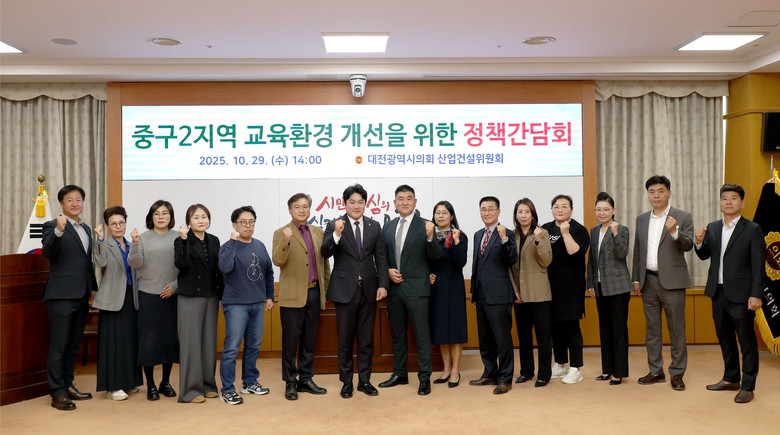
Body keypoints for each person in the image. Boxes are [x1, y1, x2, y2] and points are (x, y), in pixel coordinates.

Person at [694, 184, 764, 404]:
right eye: (724, 198)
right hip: (718, 291)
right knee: (724, 337)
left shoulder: (752, 229)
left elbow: (758, 265)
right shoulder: (713, 227)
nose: (728, 202)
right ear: (720, 202)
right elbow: (704, 255)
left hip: (743, 295)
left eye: (733, 198)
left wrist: (756, 294)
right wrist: (698, 242)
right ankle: (731, 378)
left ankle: (748, 385)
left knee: (746, 340)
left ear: (742, 202)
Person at [321, 184, 389, 399]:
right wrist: (337, 234)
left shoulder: (374, 226)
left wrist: (383, 284)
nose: (356, 206)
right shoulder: (335, 224)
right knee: (345, 340)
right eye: (352, 202)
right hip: (344, 291)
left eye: (360, 202)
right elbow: (325, 252)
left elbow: (381, 258)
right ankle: (347, 382)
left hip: (369, 290)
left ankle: (365, 381)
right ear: (345, 203)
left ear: (365, 204)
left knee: (367, 340)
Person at [632, 175, 693, 391]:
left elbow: (688, 245)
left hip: (673, 282)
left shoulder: (682, 217)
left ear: (669, 193)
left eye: (660, 191)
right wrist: (636, 278)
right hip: (648, 281)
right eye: (652, 192)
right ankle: (656, 370)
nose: (656, 196)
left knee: (677, 330)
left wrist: (675, 232)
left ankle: (677, 373)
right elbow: (638, 250)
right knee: (652, 330)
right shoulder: (641, 219)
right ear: (647, 194)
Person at [379, 185, 441, 396]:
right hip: (394, 290)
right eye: (400, 198)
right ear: (394, 203)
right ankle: (400, 373)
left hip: (417, 290)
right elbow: (382, 256)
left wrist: (431, 237)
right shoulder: (388, 226)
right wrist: (387, 271)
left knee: (422, 336)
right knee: (397, 335)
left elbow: (436, 257)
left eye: (409, 198)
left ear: (415, 202)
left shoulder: (426, 225)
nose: (404, 202)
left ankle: (424, 378)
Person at [41, 185, 97, 411]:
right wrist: (58, 231)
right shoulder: (52, 226)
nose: (75, 203)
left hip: (81, 294)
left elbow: (86, 262)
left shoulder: (86, 228)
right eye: (69, 200)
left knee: (73, 344)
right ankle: (57, 392)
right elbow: (47, 252)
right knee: (59, 345)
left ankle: (67, 384)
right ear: (61, 204)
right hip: (60, 295)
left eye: (78, 199)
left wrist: (92, 287)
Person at [272, 193, 330, 401]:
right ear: (290, 210)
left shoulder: (318, 232)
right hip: (292, 296)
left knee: (309, 339)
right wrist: (286, 241)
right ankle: (290, 381)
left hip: (314, 292)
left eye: (305, 206)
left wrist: (325, 290)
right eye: (297, 206)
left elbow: (324, 264)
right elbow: (278, 260)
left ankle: (306, 379)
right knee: (290, 342)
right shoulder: (281, 233)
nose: (302, 210)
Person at [218, 206, 274, 405]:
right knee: (232, 349)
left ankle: (249, 382)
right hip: (235, 305)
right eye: (243, 222)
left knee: (254, 346)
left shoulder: (259, 245)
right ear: (234, 225)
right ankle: (227, 389)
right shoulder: (227, 246)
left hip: (257, 304)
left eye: (251, 222)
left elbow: (268, 272)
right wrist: (233, 242)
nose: (248, 225)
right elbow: (224, 268)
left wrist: (269, 296)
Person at [128, 200, 180, 401]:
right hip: (148, 296)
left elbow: (186, 266)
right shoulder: (142, 238)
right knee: (148, 342)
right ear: (151, 217)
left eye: (165, 213)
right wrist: (134, 243)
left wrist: (175, 286)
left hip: (172, 295)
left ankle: (165, 382)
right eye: (156, 213)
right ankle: (150, 384)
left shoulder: (178, 237)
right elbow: (134, 263)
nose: (161, 217)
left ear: (170, 216)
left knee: (169, 341)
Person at [92, 206, 143, 400]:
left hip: (131, 297)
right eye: (113, 224)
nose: (118, 226)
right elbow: (100, 262)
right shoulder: (104, 243)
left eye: (121, 223)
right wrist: (99, 239)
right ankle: (113, 387)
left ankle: (128, 382)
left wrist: (136, 243)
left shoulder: (131, 244)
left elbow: (136, 263)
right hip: (112, 299)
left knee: (128, 341)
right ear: (107, 226)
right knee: (112, 343)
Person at [174, 203, 224, 403]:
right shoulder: (181, 240)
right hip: (190, 297)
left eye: (204, 216)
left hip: (211, 296)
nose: (201, 220)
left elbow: (218, 270)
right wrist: (184, 240)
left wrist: (221, 296)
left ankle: (208, 384)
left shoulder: (214, 240)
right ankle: (190, 391)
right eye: (196, 217)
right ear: (188, 221)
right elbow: (181, 264)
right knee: (191, 344)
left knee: (209, 343)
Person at [468, 196, 518, 395]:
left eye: (491, 209)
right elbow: (476, 264)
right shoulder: (478, 234)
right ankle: (490, 373)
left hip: (499, 295)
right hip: (481, 295)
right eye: (483, 209)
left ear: (498, 212)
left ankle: (505, 378)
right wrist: (473, 292)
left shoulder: (507, 233)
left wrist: (504, 239)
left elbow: (512, 259)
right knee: (485, 339)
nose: (486, 212)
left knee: (502, 339)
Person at [542, 194, 590, 384]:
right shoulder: (546, 228)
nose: (560, 210)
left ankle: (576, 367)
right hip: (550, 286)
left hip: (571, 287)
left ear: (571, 209)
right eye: (556, 206)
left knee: (571, 326)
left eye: (564, 206)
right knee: (555, 326)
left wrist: (566, 233)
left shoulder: (578, 229)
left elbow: (576, 254)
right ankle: (560, 363)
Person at [586, 192, 632, 385]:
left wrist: (615, 234)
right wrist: (590, 283)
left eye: (606, 209)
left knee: (619, 329)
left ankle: (619, 372)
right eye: (598, 209)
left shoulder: (622, 229)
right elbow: (592, 259)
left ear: (613, 210)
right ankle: (607, 369)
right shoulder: (594, 231)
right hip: (600, 286)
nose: (602, 213)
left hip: (619, 287)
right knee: (605, 329)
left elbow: (622, 253)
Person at [509, 198, 553, 388]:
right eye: (520, 212)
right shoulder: (512, 235)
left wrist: (538, 240)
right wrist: (514, 290)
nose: (523, 215)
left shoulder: (542, 233)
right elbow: (509, 266)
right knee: (524, 337)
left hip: (539, 293)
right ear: (515, 215)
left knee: (543, 337)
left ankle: (544, 374)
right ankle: (526, 371)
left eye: (527, 212)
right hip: (520, 294)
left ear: (533, 214)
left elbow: (546, 261)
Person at [428, 200, 468, 389]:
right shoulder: (429, 237)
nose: (441, 216)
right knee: (441, 328)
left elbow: (461, 262)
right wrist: (428, 274)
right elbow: (424, 260)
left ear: (451, 216)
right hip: (436, 288)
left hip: (454, 287)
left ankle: (455, 371)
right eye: (438, 212)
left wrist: (457, 242)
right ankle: (446, 369)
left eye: (444, 212)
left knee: (455, 329)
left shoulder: (459, 235)